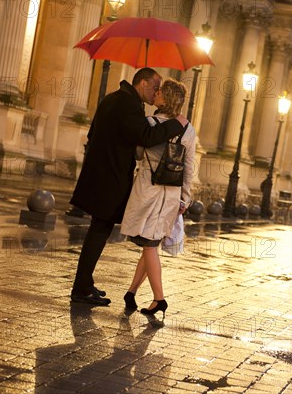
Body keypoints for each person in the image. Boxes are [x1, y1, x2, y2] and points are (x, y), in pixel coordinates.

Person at [69, 68, 188, 306]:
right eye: (155, 87)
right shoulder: (128, 105)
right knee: (99, 231)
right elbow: (146, 136)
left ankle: (85, 283)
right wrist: (177, 124)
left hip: (98, 173)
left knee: (98, 230)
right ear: (143, 83)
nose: (156, 93)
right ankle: (81, 288)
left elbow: (93, 135)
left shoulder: (112, 99)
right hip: (109, 178)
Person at [120, 78, 197, 317]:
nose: (156, 94)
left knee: (149, 245)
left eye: (161, 92)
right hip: (171, 194)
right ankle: (131, 292)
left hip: (148, 190)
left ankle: (159, 299)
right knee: (149, 244)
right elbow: (189, 166)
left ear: (168, 98)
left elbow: (140, 153)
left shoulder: (150, 123)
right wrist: (185, 198)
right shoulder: (188, 129)